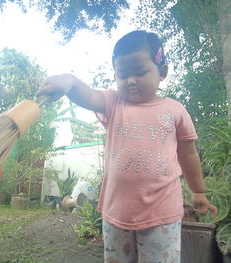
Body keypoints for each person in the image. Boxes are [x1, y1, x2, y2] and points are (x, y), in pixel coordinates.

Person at [36, 30, 217, 263]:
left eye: (140, 72)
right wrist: (69, 82)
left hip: (161, 212)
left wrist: (198, 191)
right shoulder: (113, 102)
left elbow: (188, 154)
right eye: (122, 75)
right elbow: (89, 96)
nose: (131, 80)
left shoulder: (175, 110)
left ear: (162, 72)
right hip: (116, 213)